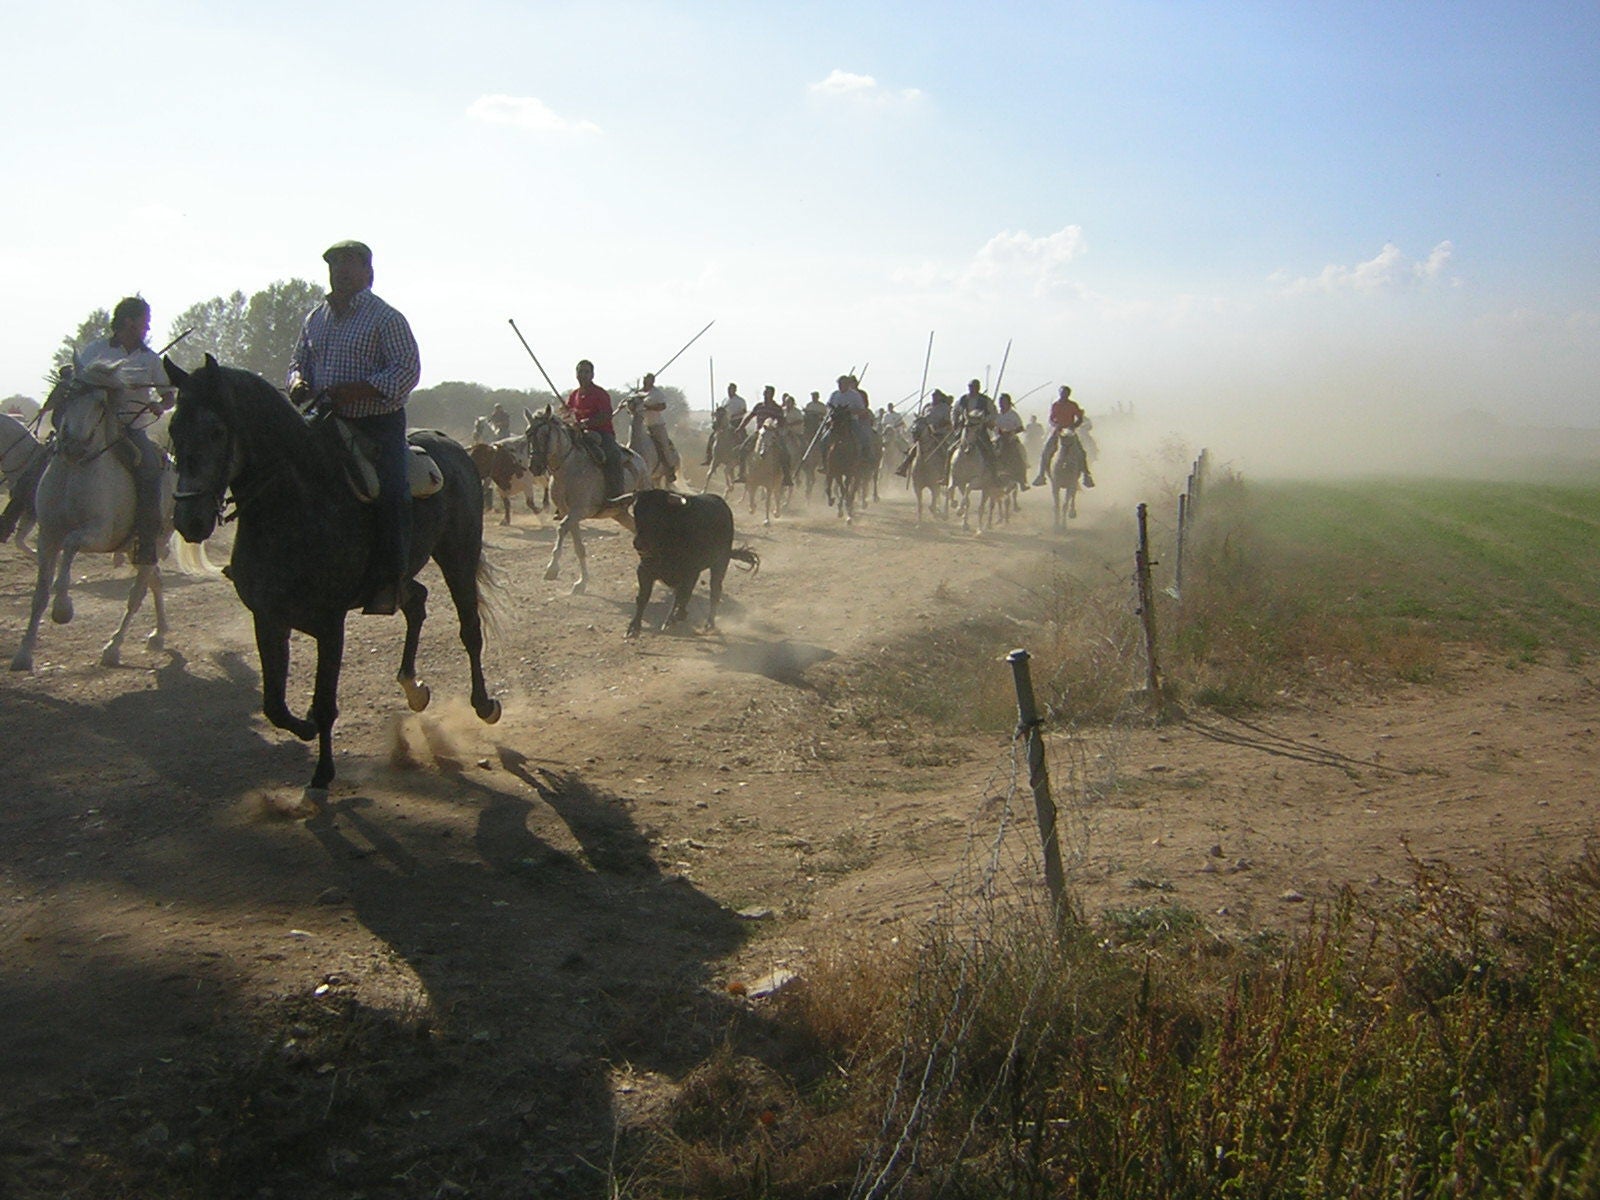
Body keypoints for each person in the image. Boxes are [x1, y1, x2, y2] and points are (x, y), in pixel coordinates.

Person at [287, 240, 422, 615]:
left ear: (369, 273)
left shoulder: (386, 318)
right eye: (334, 265)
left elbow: (406, 370)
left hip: (376, 424)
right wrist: (296, 381)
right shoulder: (315, 318)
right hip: (323, 421)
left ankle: (392, 579)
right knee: (279, 475)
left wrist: (357, 390)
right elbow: (297, 360)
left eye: (350, 264)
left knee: (393, 492)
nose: (341, 272)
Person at [71, 296, 174, 567]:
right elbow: (76, 385)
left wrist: (158, 405)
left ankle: (145, 539)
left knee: (151, 467)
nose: (147, 328)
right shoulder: (94, 350)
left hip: (131, 430)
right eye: (145, 322)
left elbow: (168, 396)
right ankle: (21, 514)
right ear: (129, 322)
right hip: (95, 425)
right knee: (48, 453)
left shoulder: (151, 360)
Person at [564, 358, 625, 501]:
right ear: (576, 374)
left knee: (613, 455)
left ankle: (615, 495)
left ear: (592, 375)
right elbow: (566, 414)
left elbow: (606, 415)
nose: (583, 375)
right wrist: (566, 415)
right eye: (580, 372)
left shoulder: (600, 394)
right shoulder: (574, 395)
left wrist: (586, 423)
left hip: (602, 434)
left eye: (586, 372)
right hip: (579, 434)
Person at [1034, 384, 1094, 488]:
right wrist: (1056, 425)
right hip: (1058, 431)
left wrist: (1074, 426)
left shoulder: (1073, 405)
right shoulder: (1056, 405)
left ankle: (1086, 475)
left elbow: (1079, 418)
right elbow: (1051, 419)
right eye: (1062, 393)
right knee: (1046, 451)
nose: (1064, 395)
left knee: (1081, 452)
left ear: (1068, 394)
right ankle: (1041, 475)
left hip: (1070, 432)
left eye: (1065, 394)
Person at [731, 385, 792, 486]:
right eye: (764, 393)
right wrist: (740, 427)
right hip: (758, 432)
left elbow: (782, 422)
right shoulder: (759, 406)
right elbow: (749, 417)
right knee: (742, 449)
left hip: (772, 434)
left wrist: (775, 427)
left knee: (785, 453)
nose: (764, 395)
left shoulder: (776, 408)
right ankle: (742, 474)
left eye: (767, 393)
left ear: (772, 395)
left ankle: (786, 477)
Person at [629, 371, 678, 483]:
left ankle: (670, 470)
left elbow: (662, 406)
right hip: (642, 425)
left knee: (663, 445)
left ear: (652, 381)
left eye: (648, 380)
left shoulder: (656, 393)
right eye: (644, 379)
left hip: (656, 425)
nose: (645, 382)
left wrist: (648, 406)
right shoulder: (637, 394)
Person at [893, 388, 953, 476]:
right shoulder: (927, 406)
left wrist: (939, 425)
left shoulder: (945, 408)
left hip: (939, 434)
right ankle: (903, 467)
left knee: (945, 451)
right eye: (933, 396)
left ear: (940, 397)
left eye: (936, 396)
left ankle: (946, 474)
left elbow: (949, 421)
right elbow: (921, 418)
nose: (934, 398)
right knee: (914, 449)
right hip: (926, 432)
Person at [953, 378, 999, 472]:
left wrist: (985, 420)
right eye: (971, 387)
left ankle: (994, 475)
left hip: (979, 429)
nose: (972, 389)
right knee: (950, 450)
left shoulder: (985, 400)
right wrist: (955, 422)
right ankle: (947, 476)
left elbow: (993, 413)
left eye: (975, 387)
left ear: (978, 388)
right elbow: (954, 411)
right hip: (965, 429)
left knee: (989, 450)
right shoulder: (963, 399)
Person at [826, 374, 873, 456]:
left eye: (843, 384)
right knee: (824, 440)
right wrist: (832, 411)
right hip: (836, 422)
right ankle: (824, 461)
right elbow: (828, 407)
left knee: (864, 438)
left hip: (850, 421)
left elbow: (862, 410)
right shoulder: (834, 395)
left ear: (847, 384)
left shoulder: (855, 395)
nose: (840, 386)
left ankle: (865, 459)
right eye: (839, 384)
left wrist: (851, 411)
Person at [702, 382, 748, 465]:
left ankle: (744, 456)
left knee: (743, 436)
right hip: (725, 423)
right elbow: (721, 411)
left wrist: (734, 415)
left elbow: (744, 412)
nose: (730, 391)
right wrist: (716, 414)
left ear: (735, 390)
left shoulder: (740, 401)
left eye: (731, 389)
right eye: (728, 389)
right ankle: (709, 457)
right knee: (712, 436)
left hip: (736, 422)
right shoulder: (725, 400)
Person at [993, 393, 1029, 489]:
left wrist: (1012, 432)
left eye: (1003, 401)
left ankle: (1022, 481)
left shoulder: (1013, 415)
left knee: (1020, 452)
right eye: (1000, 402)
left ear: (1008, 402)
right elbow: (993, 426)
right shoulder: (997, 415)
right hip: (998, 439)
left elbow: (1021, 428)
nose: (1001, 404)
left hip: (1011, 439)